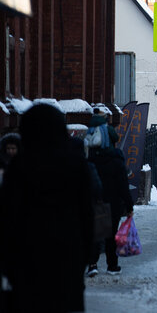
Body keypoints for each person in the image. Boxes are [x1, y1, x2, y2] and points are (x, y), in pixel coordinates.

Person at [0, 104, 94, 312]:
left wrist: (8, 263)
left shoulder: (20, 165)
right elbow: (87, 214)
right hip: (67, 256)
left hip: (27, 259)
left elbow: (8, 216)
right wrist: (84, 256)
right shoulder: (75, 163)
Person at [87, 110, 133, 277]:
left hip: (94, 201)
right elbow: (123, 186)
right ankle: (112, 266)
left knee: (94, 233)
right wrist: (129, 205)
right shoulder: (116, 161)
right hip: (112, 203)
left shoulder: (90, 160)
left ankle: (92, 264)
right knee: (110, 235)